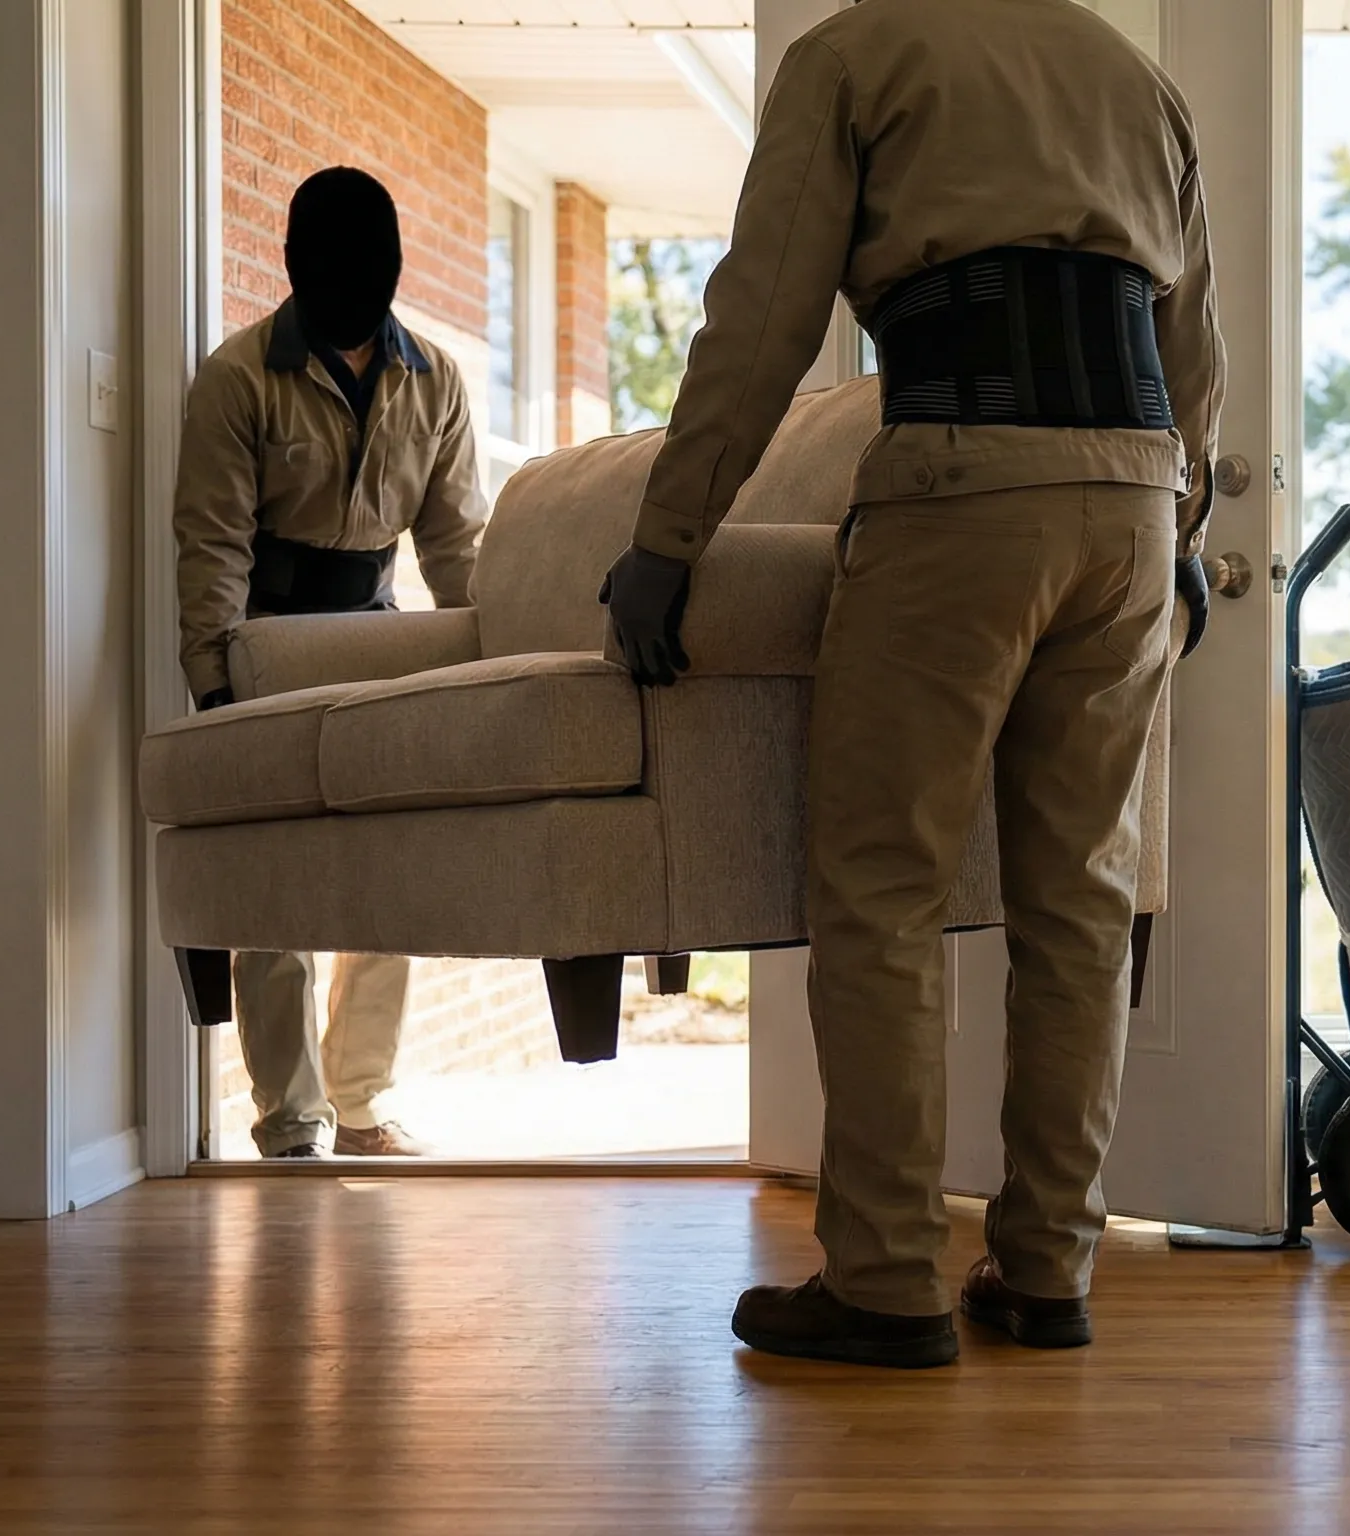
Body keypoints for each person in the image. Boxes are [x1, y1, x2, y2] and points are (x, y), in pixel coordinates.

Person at [602, 0, 1224, 1367]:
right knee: (1079, 902)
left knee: (881, 888)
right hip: (1129, 499)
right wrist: (1176, 536)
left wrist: (668, 535)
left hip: (962, 482)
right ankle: (1048, 1269)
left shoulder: (854, 56)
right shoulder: (1138, 82)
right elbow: (1194, 354)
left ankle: (885, 1278)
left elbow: (761, 320)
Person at [171, 167, 487, 1159]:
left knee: (389, 873)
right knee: (277, 882)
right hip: (266, 640)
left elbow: (458, 546)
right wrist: (213, 679)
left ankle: (359, 1102)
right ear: (295, 266)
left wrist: (487, 663)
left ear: (392, 269)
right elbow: (212, 541)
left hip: (383, 637)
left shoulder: (435, 381)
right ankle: (291, 1116)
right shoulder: (237, 379)